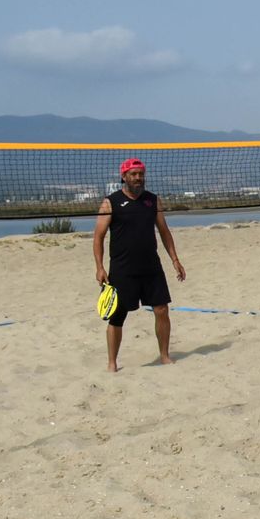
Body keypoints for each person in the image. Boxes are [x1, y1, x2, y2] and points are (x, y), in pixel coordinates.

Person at [93, 158, 186, 372]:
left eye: (141, 174)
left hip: (151, 267)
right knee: (117, 316)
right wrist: (99, 267)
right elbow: (98, 236)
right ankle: (112, 363)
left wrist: (175, 260)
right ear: (124, 177)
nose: (138, 178)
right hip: (122, 269)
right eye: (133, 174)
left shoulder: (152, 201)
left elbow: (164, 231)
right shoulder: (110, 202)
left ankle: (164, 355)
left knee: (162, 310)